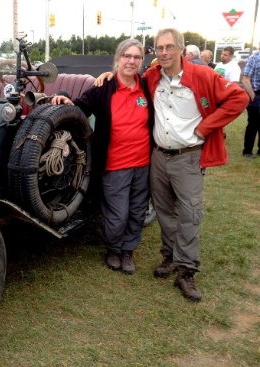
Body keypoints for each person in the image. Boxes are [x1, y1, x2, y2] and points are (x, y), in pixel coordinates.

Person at [96, 28, 249, 301]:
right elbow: (125, 77)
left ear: (180, 48)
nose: (164, 52)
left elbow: (239, 98)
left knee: (190, 214)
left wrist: (206, 127)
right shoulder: (152, 77)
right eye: (159, 48)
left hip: (188, 156)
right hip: (157, 156)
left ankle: (187, 271)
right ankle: (169, 258)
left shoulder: (202, 75)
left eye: (169, 47)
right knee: (164, 212)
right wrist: (107, 76)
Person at [52, 39, 153, 275]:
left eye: (137, 57)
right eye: (126, 56)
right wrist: (64, 99)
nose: (131, 61)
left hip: (144, 163)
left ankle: (128, 251)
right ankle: (113, 249)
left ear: (141, 61)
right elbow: (80, 108)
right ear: (118, 59)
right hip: (115, 163)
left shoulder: (147, 87)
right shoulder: (103, 87)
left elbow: (164, 65)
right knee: (117, 214)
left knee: (137, 211)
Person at [241, 51, 260, 158]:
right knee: (253, 124)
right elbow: (245, 78)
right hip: (256, 94)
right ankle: (247, 151)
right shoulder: (254, 57)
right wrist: (253, 96)